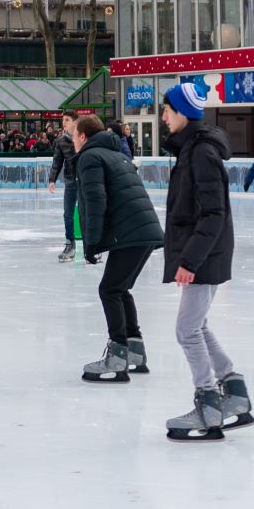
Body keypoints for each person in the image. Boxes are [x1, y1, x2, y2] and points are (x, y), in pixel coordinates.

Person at [159, 84, 245, 440]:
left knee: (187, 330)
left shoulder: (201, 153)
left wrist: (189, 260)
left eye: (166, 110)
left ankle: (209, 405)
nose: (163, 117)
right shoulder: (192, 149)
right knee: (198, 325)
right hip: (207, 252)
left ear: (182, 112)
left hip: (205, 254)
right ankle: (235, 394)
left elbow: (212, 213)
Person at [74, 111, 163, 383]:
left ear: (82, 136)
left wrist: (91, 243)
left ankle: (118, 355)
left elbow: (95, 199)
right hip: (143, 230)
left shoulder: (89, 157)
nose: (71, 139)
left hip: (133, 232)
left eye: (72, 134)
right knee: (120, 289)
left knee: (110, 289)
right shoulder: (117, 154)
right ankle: (134, 352)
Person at [48, 114, 80, 261]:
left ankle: (93, 246)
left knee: (87, 213)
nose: (64, 123)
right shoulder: (61, 141)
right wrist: (52, 180)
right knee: (68, 214)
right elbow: (57, 161)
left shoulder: (83, 137)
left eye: (67, 120)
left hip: (85, 180)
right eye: (63, 120)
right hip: (70, 181)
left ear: (75, 122)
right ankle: (70, 244)